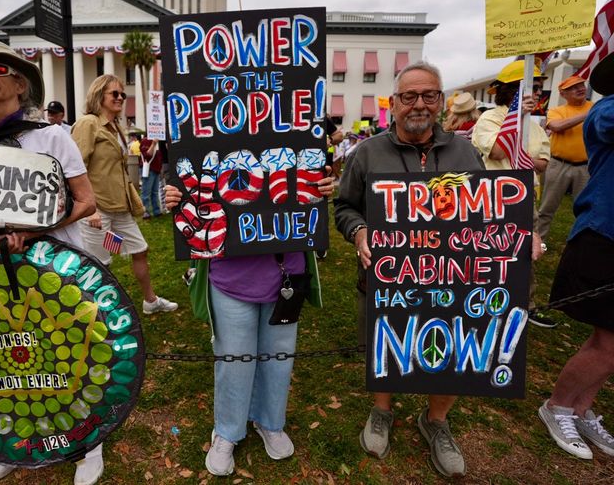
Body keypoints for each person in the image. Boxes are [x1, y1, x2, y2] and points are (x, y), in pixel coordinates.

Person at [0, 38, 99, 484]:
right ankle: (19, 438)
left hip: (54, 263)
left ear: (19, 82)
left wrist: (31, 232)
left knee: (67, 348)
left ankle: (87, 442)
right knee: (11, 351)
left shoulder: (52, 136)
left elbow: (86, 202)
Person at [335, 61, 486, 478]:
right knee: (384, 344)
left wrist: (518, 236)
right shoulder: (367, 152)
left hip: (454, 280)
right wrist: (360, 230)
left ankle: (435, 421)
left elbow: (489, 209)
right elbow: (344, 206)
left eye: (428, 95)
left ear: (440, 101)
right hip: (385, 280)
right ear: (394, 102)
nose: (418, 104)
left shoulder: (464, 151)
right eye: (409, 96)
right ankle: (382, 410)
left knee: (453, 349)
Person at [164, 174, 332, 477]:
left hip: (286, 273)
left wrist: (320, 188)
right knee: (234, 361)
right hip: (231, 276)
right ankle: (228, 430)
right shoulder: (213, 150)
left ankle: (270, 421)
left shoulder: (293, 139)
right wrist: (181, 199)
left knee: (278, 358)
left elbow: (307, 186)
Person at [538, 51, 614, 461]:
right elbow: (559, 124)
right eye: (572, 88)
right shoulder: (605, 112)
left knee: (610, 336)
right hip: (605, 231)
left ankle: (581, 409)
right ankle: (558, 406)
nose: (577, 90)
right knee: (609, 339)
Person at [71, 75, 177, 314]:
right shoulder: (88, 123)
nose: (120, 97)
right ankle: (97, 314)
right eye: (114, 94)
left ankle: (150, 302)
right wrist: (90, 209)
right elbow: (76, 168)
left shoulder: (116, 126)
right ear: (99, 96)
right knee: (100, 265)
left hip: (119, 209)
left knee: (139, 249)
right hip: (96, 211)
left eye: (122, 94)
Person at [471, 59, 552, 327]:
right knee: (490, 251)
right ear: (514, 90)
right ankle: (484, 301)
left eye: (540, 88)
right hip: (493, 196)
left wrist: (521, 155)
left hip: (526, 197)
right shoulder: (490, 118)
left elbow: (542, 163)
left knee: (526, 251)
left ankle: (525, 305)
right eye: (534, 87)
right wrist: (516, 119)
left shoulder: (537, 126)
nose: (539, 93)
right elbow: (495, 150)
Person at [536, 75, 592, 238]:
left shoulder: (595, 106)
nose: (580, 88)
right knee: (546, 209)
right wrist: (588, 115)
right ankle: (539, 243)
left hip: (586, 167)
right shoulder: (556, 111)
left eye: (581, 85)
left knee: (584, 210)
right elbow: (556, 126)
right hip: (558, 164)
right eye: (574, 87)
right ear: (563, 94)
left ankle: (579, 245)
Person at [139, 137, 163, 218]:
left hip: (156, 169)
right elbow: (147, 155)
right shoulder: (145, 140)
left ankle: (156, 211)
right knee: (146, 192)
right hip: (149, 169)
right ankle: (145, 212)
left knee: (155, 192)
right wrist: (153, 144)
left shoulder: (159, 140)